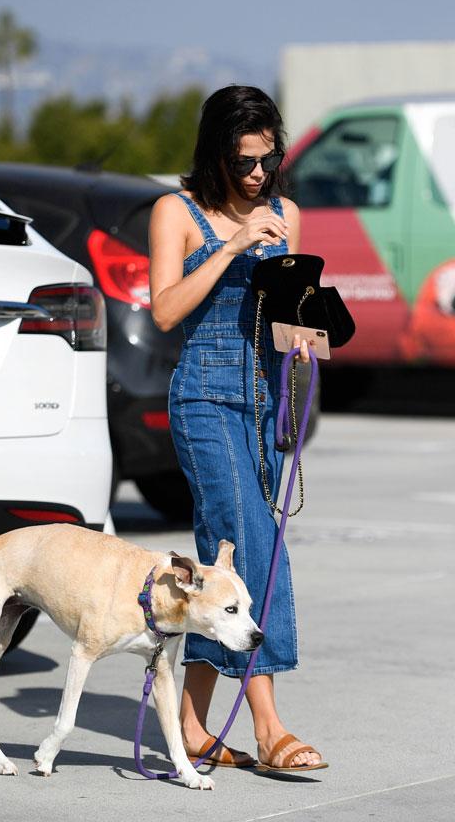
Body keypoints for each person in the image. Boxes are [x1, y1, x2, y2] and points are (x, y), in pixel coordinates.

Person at [147, 85, 325, 773]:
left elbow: (292, 314)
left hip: (264, 399)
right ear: (216, 153)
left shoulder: (288, 212)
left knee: (227, 559)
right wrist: (232, 246)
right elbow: (165, 310)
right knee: (253, 547)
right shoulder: (178, 211)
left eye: (268, 158)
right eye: (244, 160)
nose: (258, 173)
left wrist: (309, 333)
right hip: (204, 400)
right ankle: (270, 725)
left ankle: (190, 723)